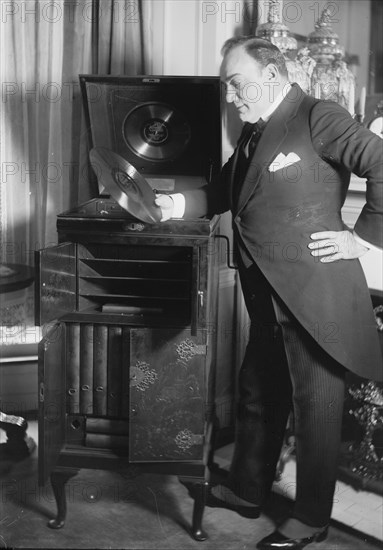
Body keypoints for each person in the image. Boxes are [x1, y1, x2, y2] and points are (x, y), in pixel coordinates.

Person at [155, 36, 383, 549]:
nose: (232, 99)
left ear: (274, 74)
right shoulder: (257, 132)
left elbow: (382, 161)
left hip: (313, 299)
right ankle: (247, 490)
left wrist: (361, 238)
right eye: (228, 88)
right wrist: (170, 203)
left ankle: (311, 518)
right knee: (259, 394)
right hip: (265, 295)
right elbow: (224, 194)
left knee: (316, 410)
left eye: (238, 86)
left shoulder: (318, 116)